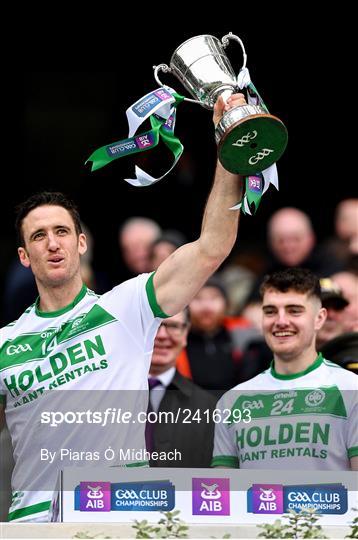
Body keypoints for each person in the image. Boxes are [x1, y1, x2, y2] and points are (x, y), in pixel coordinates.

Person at [0, 93, 246, 522]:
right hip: (34, 518)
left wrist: (228, 149)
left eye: (61, 231)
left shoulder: (128, 306)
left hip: (116, 511)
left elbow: (212, 246)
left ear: (82, 243)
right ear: (24, 256)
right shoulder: (5, 342)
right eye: (39, 236)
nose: (52, 243)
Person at [212, 268, 358, 470]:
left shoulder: (351, 389)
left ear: (319, 318)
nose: (281, 322)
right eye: (270, 311)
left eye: (294, 311)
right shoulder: (232, 401)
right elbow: (223, 494)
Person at [146, 309, 216, 467]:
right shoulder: (103, 397)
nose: (162, 335)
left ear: (186, 333)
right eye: (154, 325)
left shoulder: (209, 409)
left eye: (173, 326)